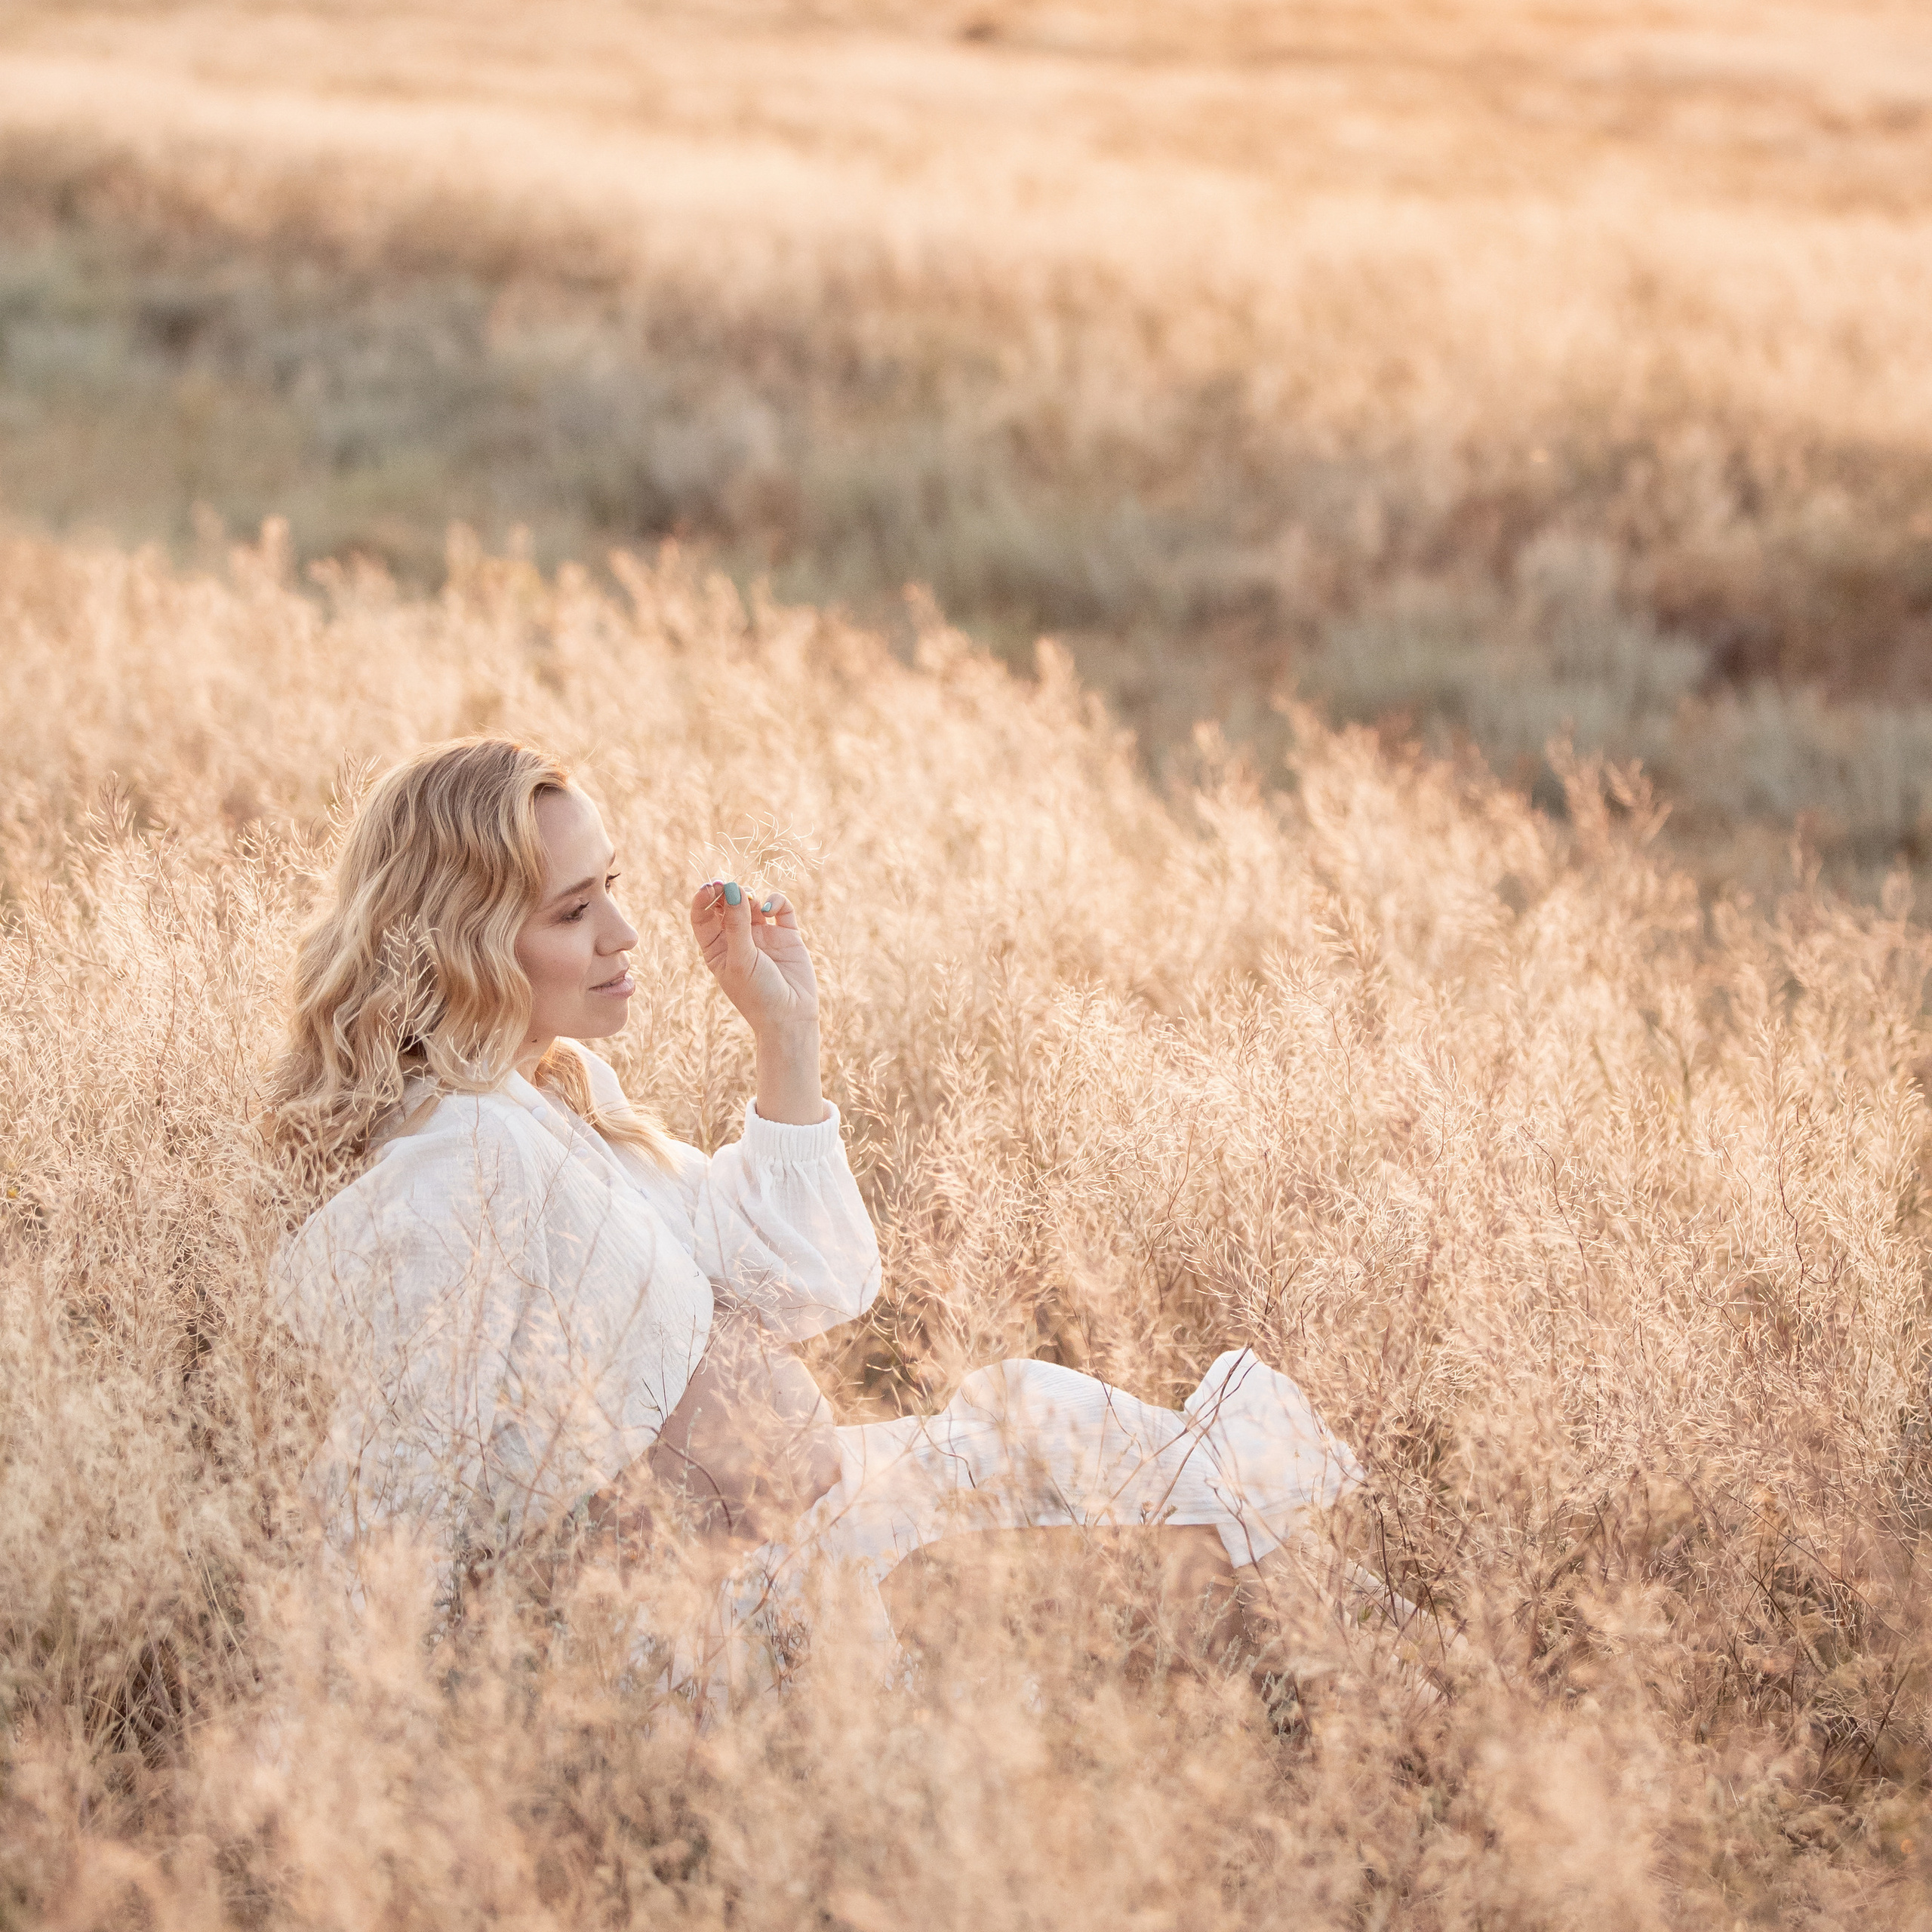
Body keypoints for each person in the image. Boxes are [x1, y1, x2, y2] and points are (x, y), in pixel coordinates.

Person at [269, 736, 1367, 1702]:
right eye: (573, 910)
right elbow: (384, 1520)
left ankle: (1428, 1705)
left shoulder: (550, 1101)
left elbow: (811, 1279)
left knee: (1102, 1455)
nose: (627, 930)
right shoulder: (451, 1173)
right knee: (1217, 1548)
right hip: (729, 1638)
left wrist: (785, 1035)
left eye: (612, 883)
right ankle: (1451, 1733)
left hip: (831, 1528)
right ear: (462, 940)